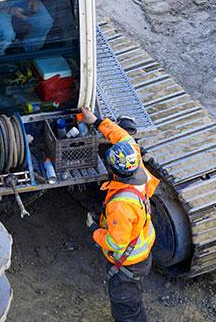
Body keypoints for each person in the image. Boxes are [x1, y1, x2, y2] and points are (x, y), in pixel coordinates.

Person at [80, 107, 160, 322]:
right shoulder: (136, 166)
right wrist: (96, 121)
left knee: (125, 307)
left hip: (128, 262)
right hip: (141, 248)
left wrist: (94, 230)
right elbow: (122, 137)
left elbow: (115, 244)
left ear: (112, 169)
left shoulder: (121, 205)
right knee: (133, 300)